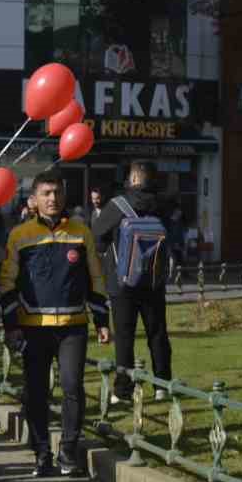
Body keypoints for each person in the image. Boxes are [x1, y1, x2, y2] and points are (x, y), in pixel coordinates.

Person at [0, 169, 110, 477]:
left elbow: (96, 277)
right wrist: (11, 325)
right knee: (36, 392)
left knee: (73, 387)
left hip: (73, 325)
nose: (53, 199)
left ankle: (69, 453)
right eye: (46, 193)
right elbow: (6, 282)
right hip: (33, 326)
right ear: (34, 199)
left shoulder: (81, 232)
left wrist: (102, 319)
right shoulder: (20, 236)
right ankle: (41, 454)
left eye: (58, 193)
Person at [91, 160, 172, 407]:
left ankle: (123, 390)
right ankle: (163, 385)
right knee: (157, 333)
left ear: (133, 179)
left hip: (122, 281)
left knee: (125, 337)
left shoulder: (117, 205)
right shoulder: (162, 204)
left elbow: (96, 235)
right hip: (153, 280)